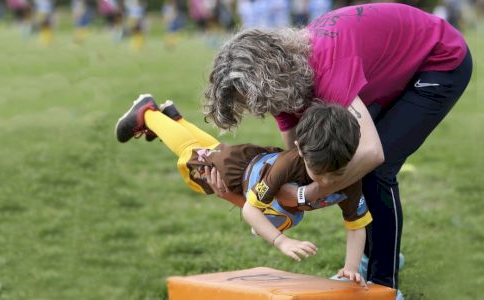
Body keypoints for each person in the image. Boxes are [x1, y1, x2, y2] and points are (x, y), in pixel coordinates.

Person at [202, 3, 472, 297]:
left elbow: (371, 153)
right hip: (393, 65)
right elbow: (297, 159)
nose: (260, 109)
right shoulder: (282, 91)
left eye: (256, 101)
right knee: (338, 156)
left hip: (440, 59)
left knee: (377, 168)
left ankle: (384, 283)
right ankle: (371, 258)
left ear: (271, 78)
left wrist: (311, 194)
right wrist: (260, 202)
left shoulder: (328, 66)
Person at [114, 94, 371, 286]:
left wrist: (349, 267)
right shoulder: (287, 165)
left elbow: (356, 223)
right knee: (191, 154)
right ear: (300, 150)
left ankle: (174, 119)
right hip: (235, 172)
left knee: (212, 149)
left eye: (336, 174)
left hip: (249, 165)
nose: (328, 182)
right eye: (320, 173)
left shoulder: (348, 174)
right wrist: (281, 241)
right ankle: (148, 113)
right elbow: (251, 209)